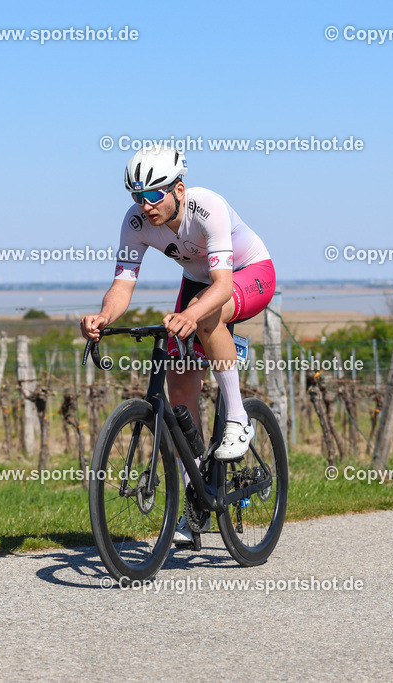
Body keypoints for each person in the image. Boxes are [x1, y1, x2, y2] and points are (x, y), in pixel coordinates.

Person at [80, 145, 276, 542]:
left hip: (249, 272)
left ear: (179, 189)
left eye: (154, 195)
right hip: (200, 281)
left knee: (204, 318)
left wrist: (191, 314)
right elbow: (122, 284)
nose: (146, 205)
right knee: (180, 374)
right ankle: (197, 497)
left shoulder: (208, 207)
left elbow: (221, 286)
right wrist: (103, 316)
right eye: (137, 196)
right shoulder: (135, 222)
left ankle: (238, 418)